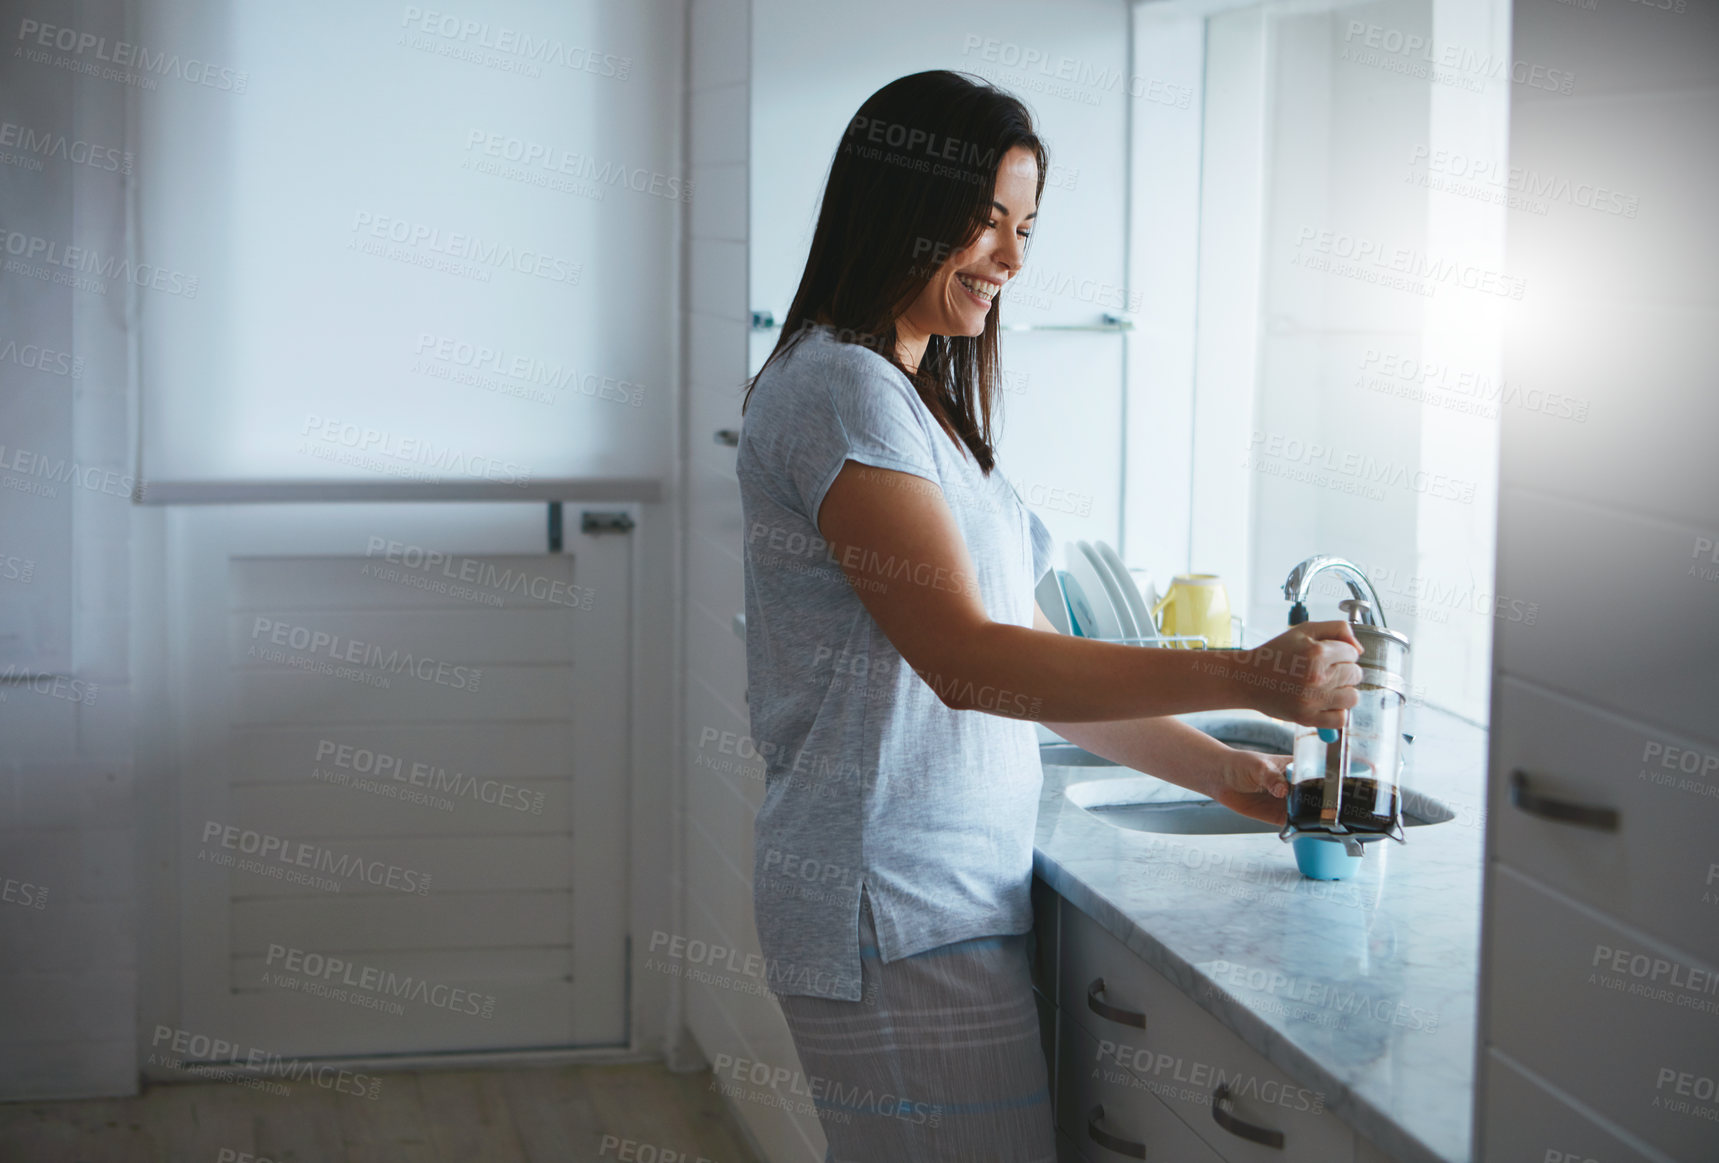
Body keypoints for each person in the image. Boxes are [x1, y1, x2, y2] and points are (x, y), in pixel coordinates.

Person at [735, 70, 1362, 1161]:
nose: (1014, 262)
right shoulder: (844, 388)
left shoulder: (918, 402)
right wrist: (1250, 676)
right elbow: (971, 664)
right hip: (890, 905)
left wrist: (1226, 769)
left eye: (1025, 229)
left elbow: (1040, 669)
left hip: (933, 900)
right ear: (901, 207)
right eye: (987, 226)